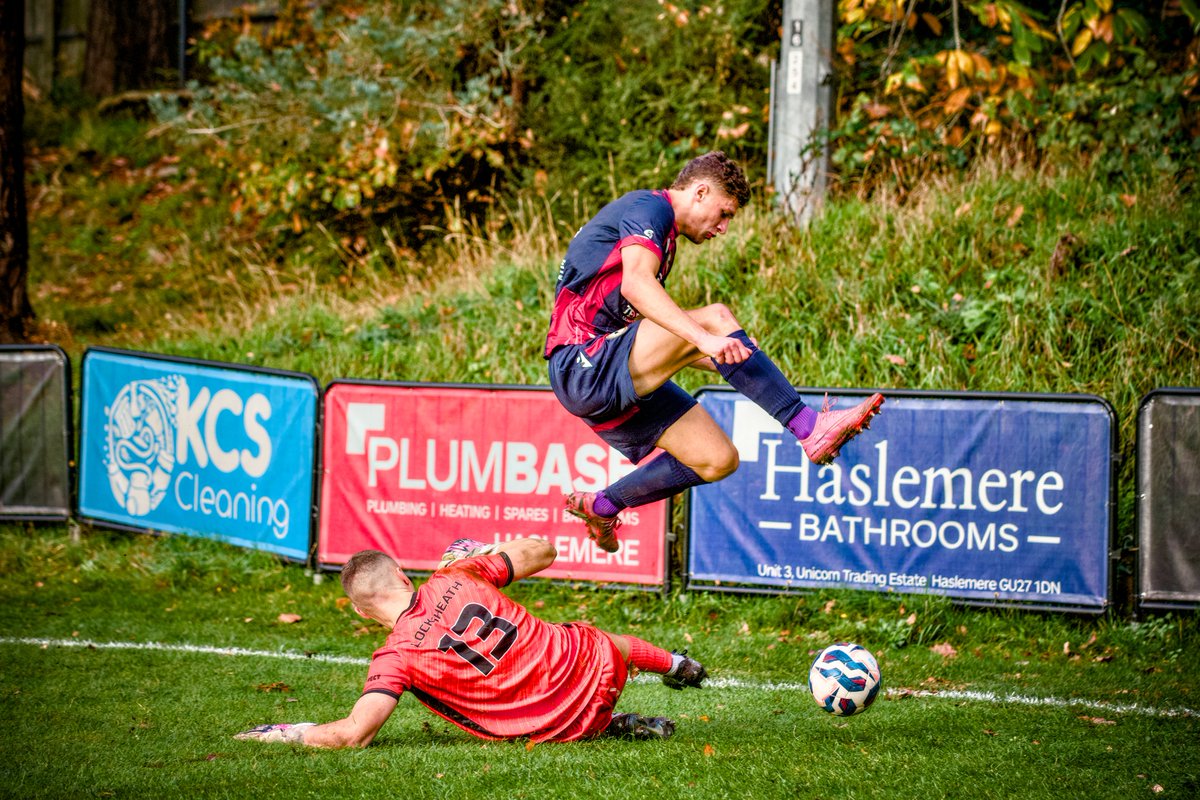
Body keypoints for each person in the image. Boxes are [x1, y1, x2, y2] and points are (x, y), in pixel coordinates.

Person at [544, 150, 884, 554]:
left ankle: (603, 505)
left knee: (717, 458)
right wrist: (706, 338)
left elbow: (646, 327)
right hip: (582, 364)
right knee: (715, 318)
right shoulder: (651, 208)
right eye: (724, 214)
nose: (723, 228)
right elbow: (637, 286)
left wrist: (723, 356)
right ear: (700, 192)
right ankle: (808, 426)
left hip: (604, 368)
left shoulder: (660, 234)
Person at [233, 537, 706, 748]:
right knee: (601, 639)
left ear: (361, 611)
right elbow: (543, 550)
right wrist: (479, 551)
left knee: (535, 707)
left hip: (552, 727)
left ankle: (609, 723)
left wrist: (291, 732)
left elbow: (354, 733)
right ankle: (676, 664)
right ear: (401, 573)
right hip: (595, 666)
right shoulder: (456, 573)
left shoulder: (393, 658)